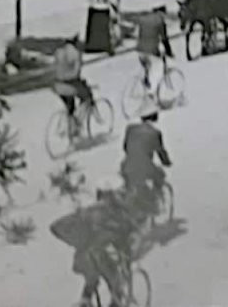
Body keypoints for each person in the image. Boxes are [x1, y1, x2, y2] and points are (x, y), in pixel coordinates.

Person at [50, 176, 136, 307]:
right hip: (100, 255)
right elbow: (125, 230)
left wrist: (73, 241)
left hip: (83, 256)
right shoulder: (112, 211)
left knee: (92, 279)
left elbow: (56, 226)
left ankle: (85, 301)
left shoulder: (87, 211)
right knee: (115, 283)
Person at [120, 98, 172, 216]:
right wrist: (167, 162)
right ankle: (154, 204)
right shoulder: (155, 133)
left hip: (126, 165)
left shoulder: (130, 129)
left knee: (129, 184)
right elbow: (161, 152)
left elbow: (125, 147)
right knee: (159, 176)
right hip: (145, 167)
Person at [53, 35, 92, 134]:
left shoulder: (59, 51)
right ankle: (76, 125)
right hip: (69, 84)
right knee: (87, 97)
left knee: (70, 106)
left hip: (58, 85)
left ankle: (70, 123)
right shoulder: (75, 53)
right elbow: (76, 72)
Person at [136, 5, 173, 91]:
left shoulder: (145, 18)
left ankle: (146, 81)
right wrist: (169, 52)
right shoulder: (160, 21)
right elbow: (164, 39)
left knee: (148, 66)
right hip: (151, 50)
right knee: (157, 69)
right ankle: (152, 91)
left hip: (140, 50)